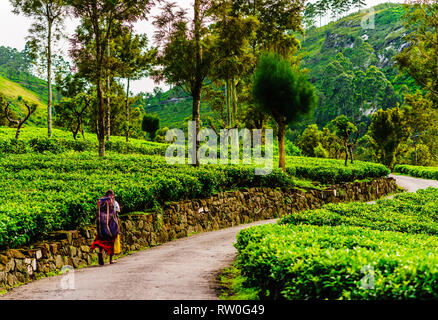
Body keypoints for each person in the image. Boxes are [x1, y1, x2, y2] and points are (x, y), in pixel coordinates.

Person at [90, 190, 120, 265]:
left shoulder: (101, 202)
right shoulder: (114, 202)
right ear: (112, 195)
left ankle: (100, 253)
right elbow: (116, 212)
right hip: (110, 226)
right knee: (111, 242)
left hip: (101, 226)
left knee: (101, 241)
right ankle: (111, 260)